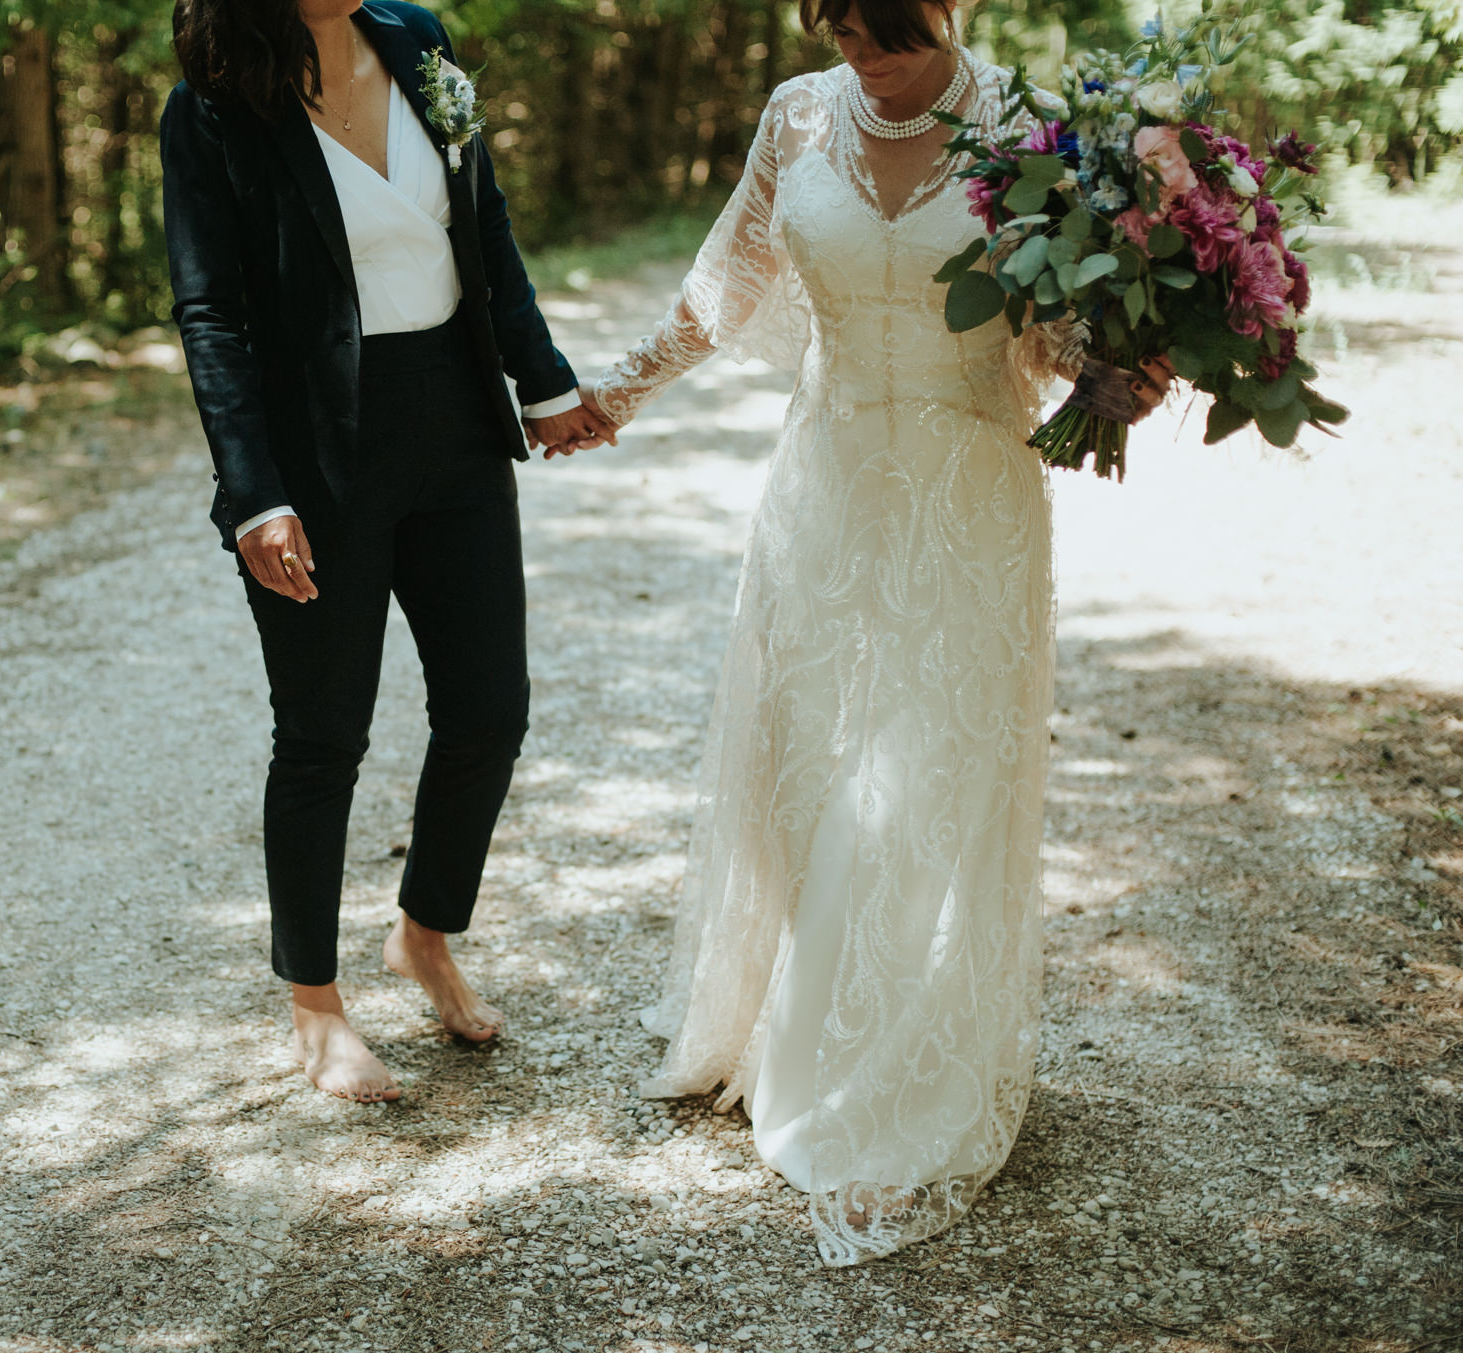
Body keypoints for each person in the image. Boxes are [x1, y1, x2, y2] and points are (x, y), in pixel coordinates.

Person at [581, 0, 1170, 1263]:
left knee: (928, 785)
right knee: (808, 775)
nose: (865, 54)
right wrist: (611, 396)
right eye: (840, 28)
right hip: (828, 485)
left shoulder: (1037, 132)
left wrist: (1125, 368)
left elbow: (1061, 330)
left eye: (888, 28)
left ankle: (887, 1080)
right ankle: (779, 1015)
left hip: (970, 497)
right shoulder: (798, 114)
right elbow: (723, 286)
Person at [162, 0, 615, 1102]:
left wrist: (543, 381)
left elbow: (484, 226)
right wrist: (254, 494)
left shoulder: (417, 40)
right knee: (322, 735)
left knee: (489, 712)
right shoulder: (212, 105)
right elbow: (210, 312)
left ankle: (424, 933)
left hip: (455, 424)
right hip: (315, 457)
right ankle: (315, 1011)